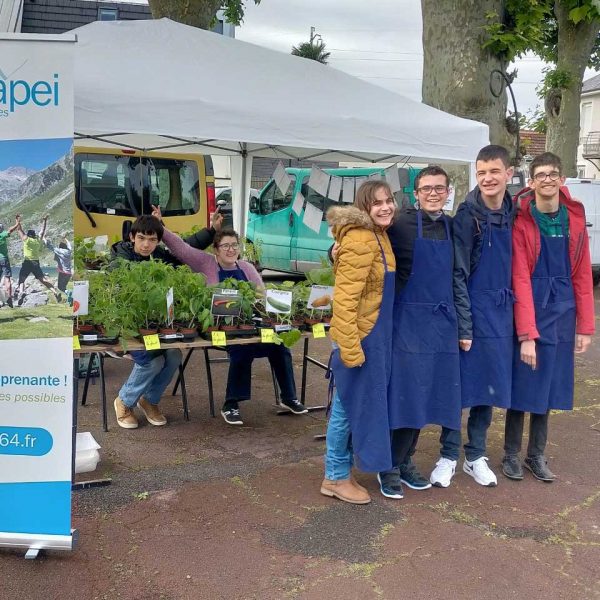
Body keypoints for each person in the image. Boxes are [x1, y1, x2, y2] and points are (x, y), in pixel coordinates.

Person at [154, 206, 307, 425]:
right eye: (225, 246)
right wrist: (160, 227)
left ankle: (288, 397)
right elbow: (181, 249)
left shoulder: (246, 267)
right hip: (219, 328)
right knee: (242, 349)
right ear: (215, 249)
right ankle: (231, 404)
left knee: (279, 345)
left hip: (246, 325)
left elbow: (261, 296)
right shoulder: (206, 263)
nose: (230, 249)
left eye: (234, 245)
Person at [503, 152, 594, 482]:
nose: (547, 180)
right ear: (531, 181)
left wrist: (585, 325)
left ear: (562, 178)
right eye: (540, 175)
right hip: (531, 306)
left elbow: (582, 273)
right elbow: (520, 278)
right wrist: (527, 333)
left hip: (563, 310)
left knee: (550, 385)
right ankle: (510, 454)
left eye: (552, 174)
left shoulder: (574, 218)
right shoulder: (521, 219)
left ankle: (536, 455)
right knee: (522, 383)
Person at [431, 145, 515, 488]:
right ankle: (449, 455)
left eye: (494, 171)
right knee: (459, 387)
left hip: (504, 315)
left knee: (489, 389)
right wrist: (464, 325)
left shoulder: (516, 210)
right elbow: (458, 275)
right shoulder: (468, 216)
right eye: (481, 173)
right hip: (471, 313)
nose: (488, 179)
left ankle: (475, 455)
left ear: (509, 174)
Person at [376, 166, 461, 499]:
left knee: (426, 397)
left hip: (440, 325)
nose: (433, 194)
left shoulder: (452, 227)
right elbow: (365, 243)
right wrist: (335, 251)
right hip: (407, 322)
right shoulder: (400, 223)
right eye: (427, 188)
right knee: (404, 396)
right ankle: (389, 466)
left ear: (448, 192)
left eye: (439, 188)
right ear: (416, 193)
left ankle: (406, 459)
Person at [321, 180, 396, 505]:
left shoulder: (378, 235)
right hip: (360, 337)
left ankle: (341, 471)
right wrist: (352, 350)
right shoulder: (362, 239)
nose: (385, 207)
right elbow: (345, 301)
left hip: (371, 334)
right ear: (364, 209)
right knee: (346, 406)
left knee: (355, 405)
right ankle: (335, 477)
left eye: (389, 200)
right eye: (377, 203)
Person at [110, 215, 183, 429]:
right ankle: (124, 401)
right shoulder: (121, 257)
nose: (146, 244)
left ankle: (149, 400)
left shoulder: (159, 256)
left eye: (152, 239)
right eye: (141, 238)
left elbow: (185, 257)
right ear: (132, 237)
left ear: (158, 241)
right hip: (129, 327)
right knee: (153, 362)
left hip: (153, 325)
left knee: (174, 355)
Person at [15, 215, 63, 306]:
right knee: (42, 279)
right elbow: (43, 231)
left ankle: (21, 292)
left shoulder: (26, 239)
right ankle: (55, 291)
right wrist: (45, 221)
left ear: (28, 235)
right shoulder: (38, 240)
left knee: (21, 279)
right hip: (36, 263)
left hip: (27, 262)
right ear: (34, 235)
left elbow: (19, 229)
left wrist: (17, 220)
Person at [0, 216, 21, 308]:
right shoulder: (2, 235)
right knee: (7, 279)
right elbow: (10, 230)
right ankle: (9, 298)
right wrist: (17, 222)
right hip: (4, 259)